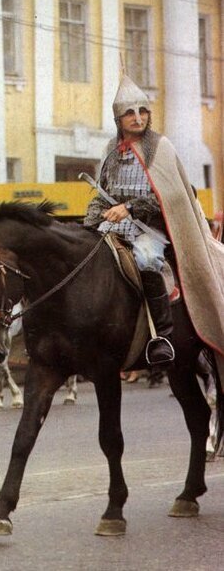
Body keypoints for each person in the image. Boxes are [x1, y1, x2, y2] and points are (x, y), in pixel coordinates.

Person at [84, 73, 224, 367]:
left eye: (142, 111)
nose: (137, 118)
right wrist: (88, 223)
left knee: (146, 259)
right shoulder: (110, 149)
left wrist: (130, 208)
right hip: (115, 227)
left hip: (154, 228)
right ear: (118, 118)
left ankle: (161, 336)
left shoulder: (160, 147)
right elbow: (102, 193)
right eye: (129, 113)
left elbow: (172, 195)